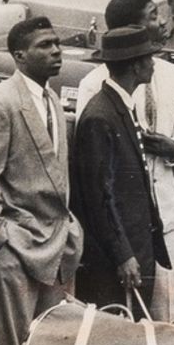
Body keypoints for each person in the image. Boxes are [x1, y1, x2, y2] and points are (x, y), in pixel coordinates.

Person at [78, 0, 174, 319]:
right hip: (124, 223)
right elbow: (96, 174)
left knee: (165, 312)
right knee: (128, 313)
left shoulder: (169, 73)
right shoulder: (95, 84)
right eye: (153, 16)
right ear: (130, 28)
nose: (162, 23)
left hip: (165, 217)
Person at [0, 16, 82, 345]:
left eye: (57, 43)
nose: (56, 51)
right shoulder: (0, 103)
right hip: (15, 248)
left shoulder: (52, 102)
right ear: (19, 56)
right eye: (44, 45)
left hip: (56, 246)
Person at [70, 21, 167, 316]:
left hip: (135, 247)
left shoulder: (119, 106)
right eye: (149, 58)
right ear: (136, 67)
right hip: (115, 259)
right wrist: (123, 253)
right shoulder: (101, 116)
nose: (153, 64)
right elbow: (101, 196)